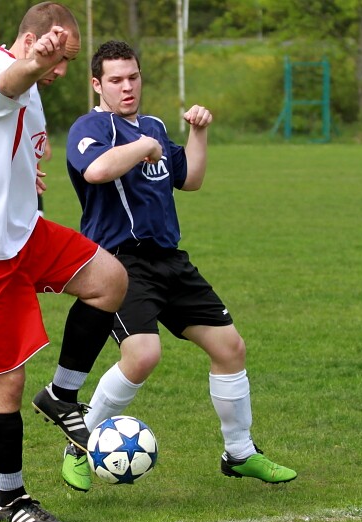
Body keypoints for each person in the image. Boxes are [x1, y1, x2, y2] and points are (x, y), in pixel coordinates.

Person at [62, 40, 298, 492]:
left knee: (230, 348)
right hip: (119, 264)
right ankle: (79, 443)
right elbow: (97, 171)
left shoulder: (151, 125)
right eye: (116, 80)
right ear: (96, 84)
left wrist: (197, 132)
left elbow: (189, 179)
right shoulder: (89, 127)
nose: (127, 87)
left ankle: (239, 453)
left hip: (169, 260)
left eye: (133, 77)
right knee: (143, 355)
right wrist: (144, 146)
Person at [0, 3, 127, 522]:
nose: (62, 70)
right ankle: (9, 499)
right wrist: (36, 62)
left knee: (109, 279)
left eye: (66, 61)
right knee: (5, 383)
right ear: (34, 42)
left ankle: (60, 395)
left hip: (20, 231)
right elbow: (9, 83)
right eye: (61, 58)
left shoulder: (31, 87)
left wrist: (24, 173)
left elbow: (4, 136)